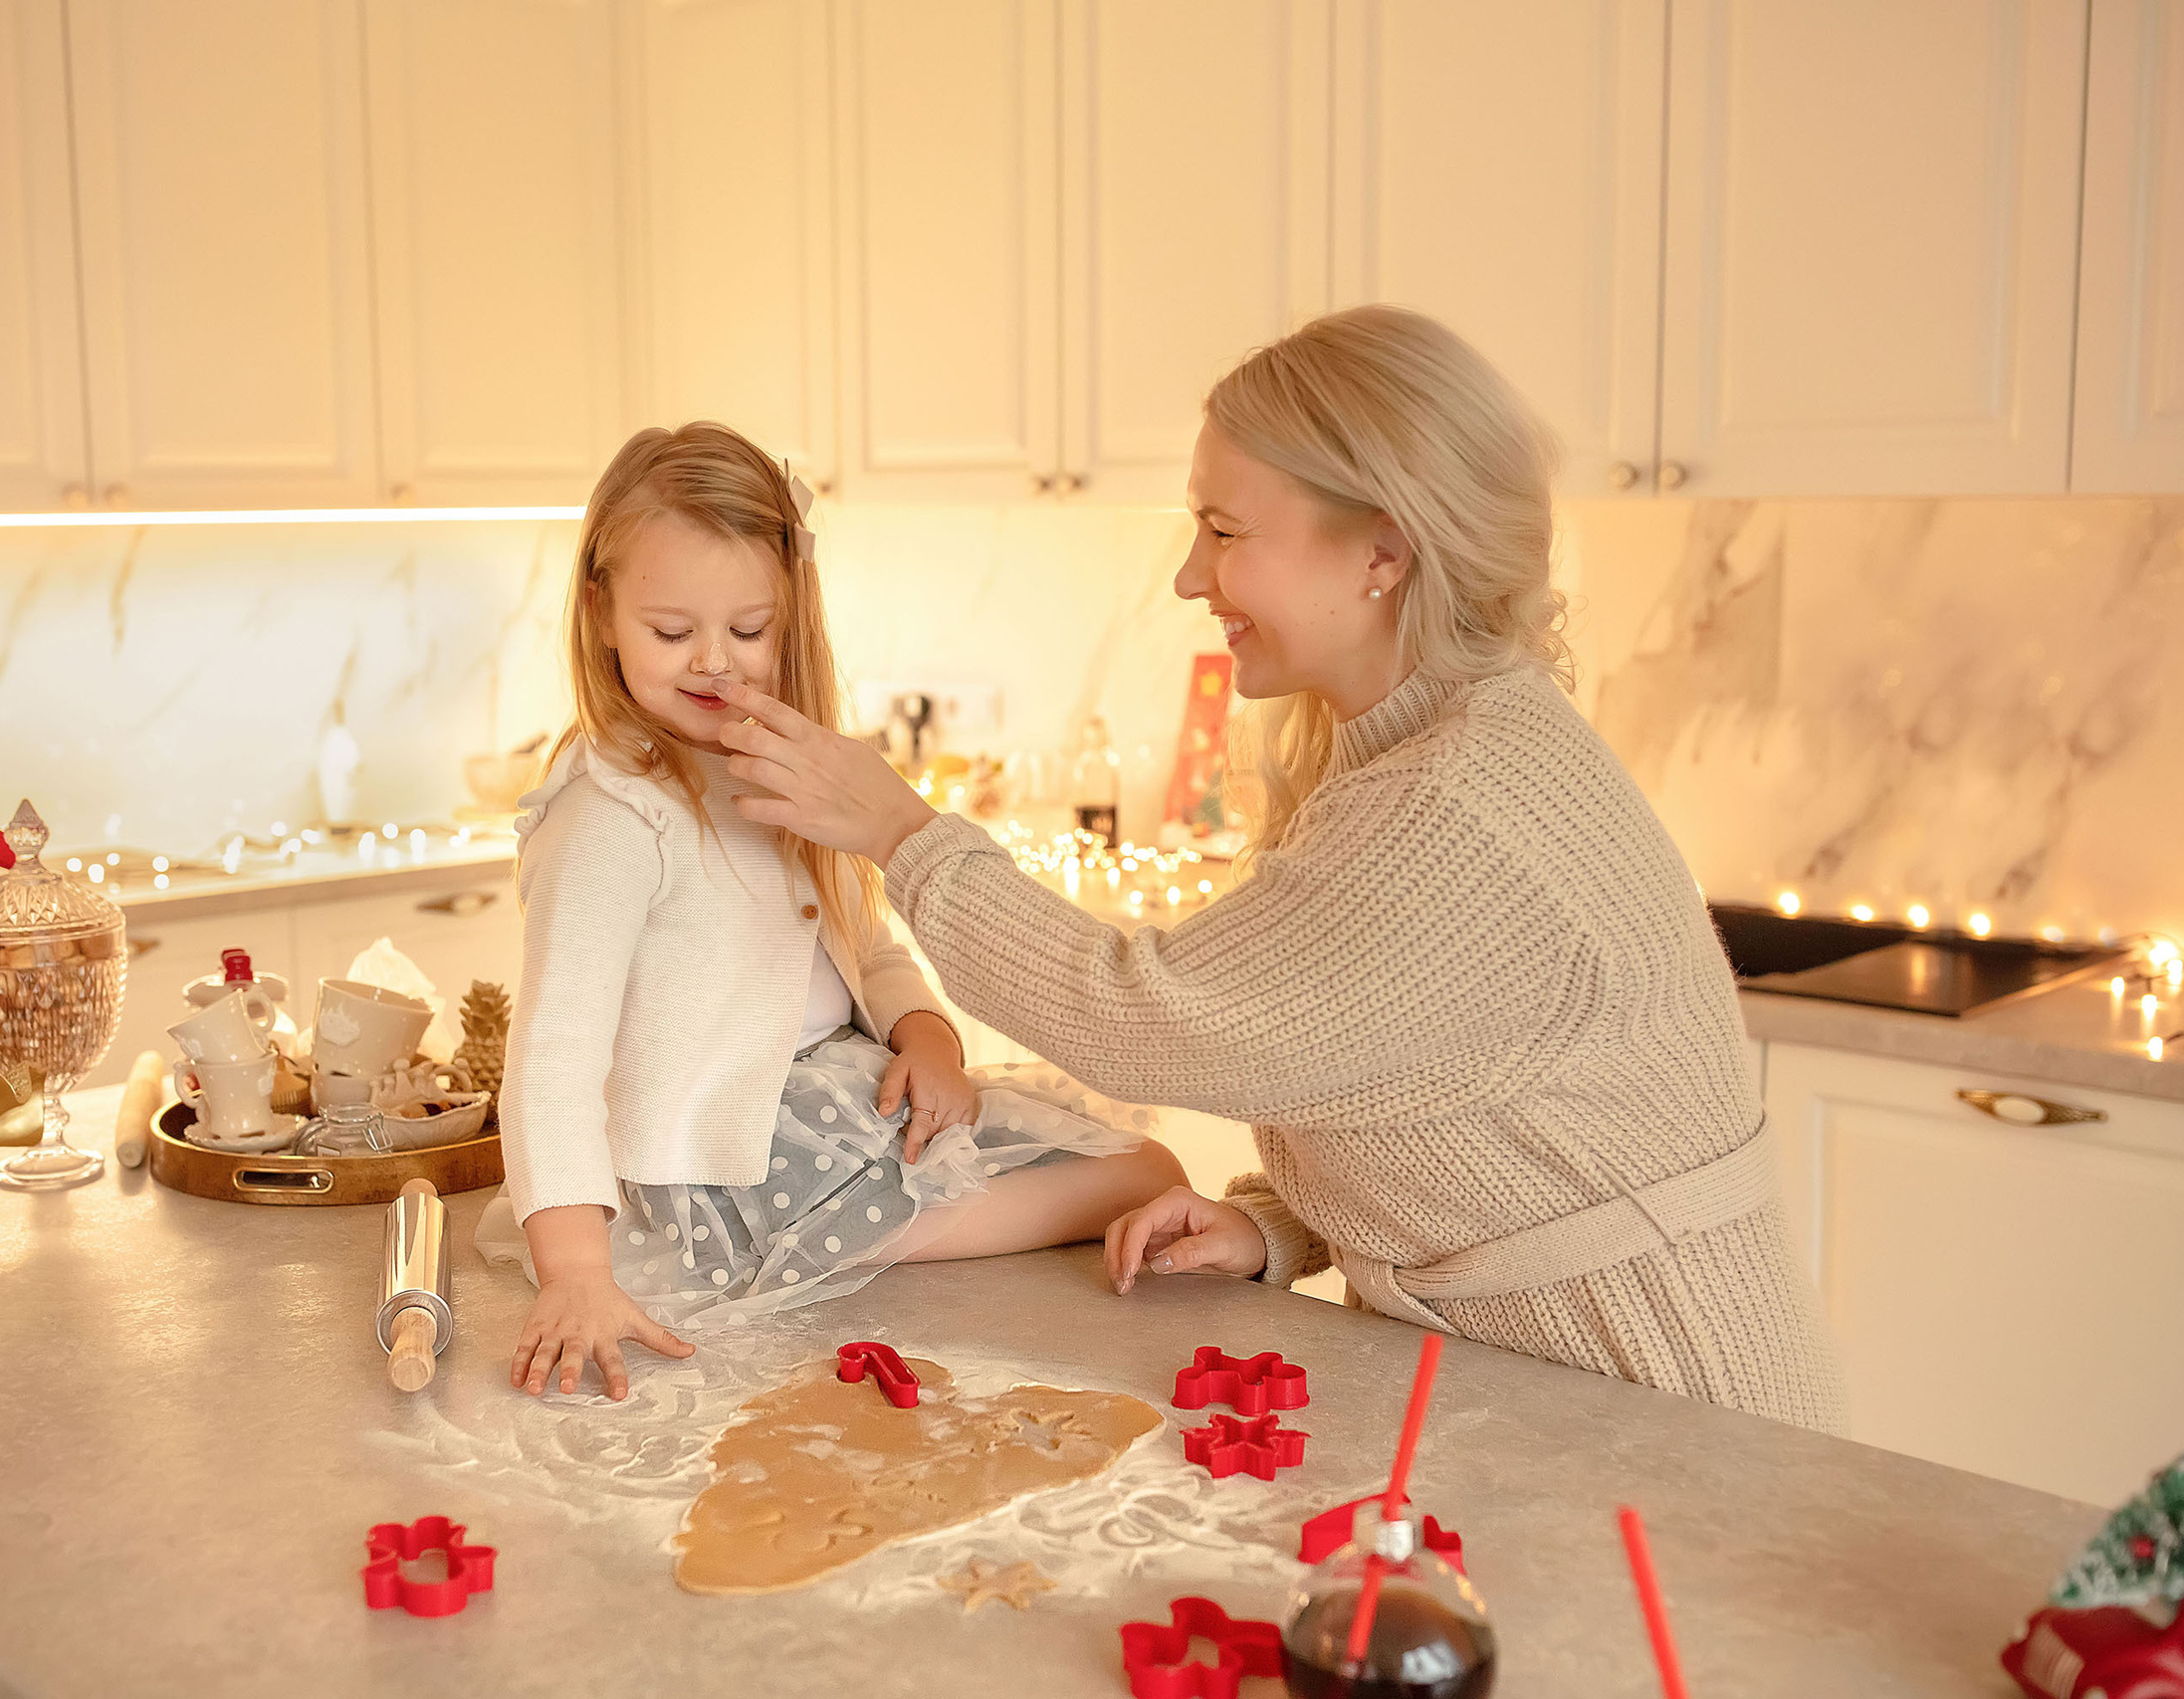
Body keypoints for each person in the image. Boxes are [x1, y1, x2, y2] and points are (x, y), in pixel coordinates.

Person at [711, 308, 1849, 1432]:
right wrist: (1280, 1228)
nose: (1189, 579)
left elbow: (1143, 1016)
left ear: (1382, 551)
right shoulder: (1427, 746)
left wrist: (905, 837)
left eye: (1222, 529)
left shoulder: (1459, 807)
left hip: (1679, 1418)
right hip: (1554, 1403)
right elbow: (1419, 1089)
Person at [483, 422, 1188, 1400]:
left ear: (790, 611)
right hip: (739, 1158)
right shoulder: (610, 809)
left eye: (748, 629)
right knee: (1143, 1175)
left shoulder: (777, 759)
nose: (714, 664)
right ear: (599, 610)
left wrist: (928, 1038)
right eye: (672, 632)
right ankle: (842, 1244)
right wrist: (575, 1275)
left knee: (1148, 1165)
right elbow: (553, 1056)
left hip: (841, 1098)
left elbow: (863, 937)